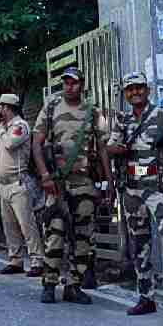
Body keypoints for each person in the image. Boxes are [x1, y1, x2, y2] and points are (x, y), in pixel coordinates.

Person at [106, 72, 163, 321]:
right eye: (129, 89)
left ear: (147, 90)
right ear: (125, 94)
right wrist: (118, 148)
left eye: (139, 88)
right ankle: (146, 297)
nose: (134, 92)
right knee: (139, 246)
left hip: (160, 189)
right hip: (132, 190)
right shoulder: (122, 120)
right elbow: (110, 147)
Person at [32, 66, 113, 305]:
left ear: (82, 84)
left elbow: (103, 149)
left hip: (84, 182)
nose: (70, 86)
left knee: (83, 236)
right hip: (57, 183)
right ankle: (49, 283)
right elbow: (37, 144)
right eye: (66, 82)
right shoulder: (51, 106)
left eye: (74, 82)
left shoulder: (93, 111)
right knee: (55, 232)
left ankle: (74, 286)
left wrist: (108, 182)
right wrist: (45, 175)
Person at [0, 94, 43, 277]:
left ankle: (37, 260)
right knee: (9, 225)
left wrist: (1, 131)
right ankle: (15, 259)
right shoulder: (7, 127)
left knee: (26, 225)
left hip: (18, 183)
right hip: (4, 185)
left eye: (1, 107)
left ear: (8, 107)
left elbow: (10, 143)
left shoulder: (19, 126)